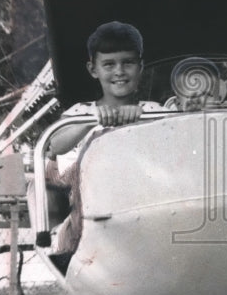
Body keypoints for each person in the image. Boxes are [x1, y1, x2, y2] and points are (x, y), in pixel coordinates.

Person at [46, 22, 162, 273]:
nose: (119, 71)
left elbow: (175, 143)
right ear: (93, 69)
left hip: (146, 212)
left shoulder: (153, 110)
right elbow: (55, 144)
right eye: (109, 64)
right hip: (97, 218)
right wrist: (94, 119)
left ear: (140, 66)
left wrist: (140, 118)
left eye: (127, 63)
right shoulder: (80, 113)